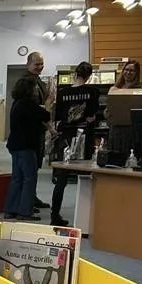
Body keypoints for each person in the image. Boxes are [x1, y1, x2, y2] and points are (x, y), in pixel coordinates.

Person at [48, 61, 102, 227]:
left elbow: (58, 116)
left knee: (61, 179)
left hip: (66, 136)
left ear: (75, 74)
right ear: (89, 76)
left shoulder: (63, 93)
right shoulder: (93, 91)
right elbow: (93, 115)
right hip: (84, 136)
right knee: (86, 177)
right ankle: (86, 219)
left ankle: (54, 215)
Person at [5, 52, 51, 220]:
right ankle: (25, 211)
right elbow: (45, 115)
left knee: (17, 178)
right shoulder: (29, 104)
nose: (36, 91)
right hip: (26, 145)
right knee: (30, 177)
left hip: (15, 145)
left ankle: (11, 209)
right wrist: (49, 103)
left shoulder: (18, 104)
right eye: (36, 64)